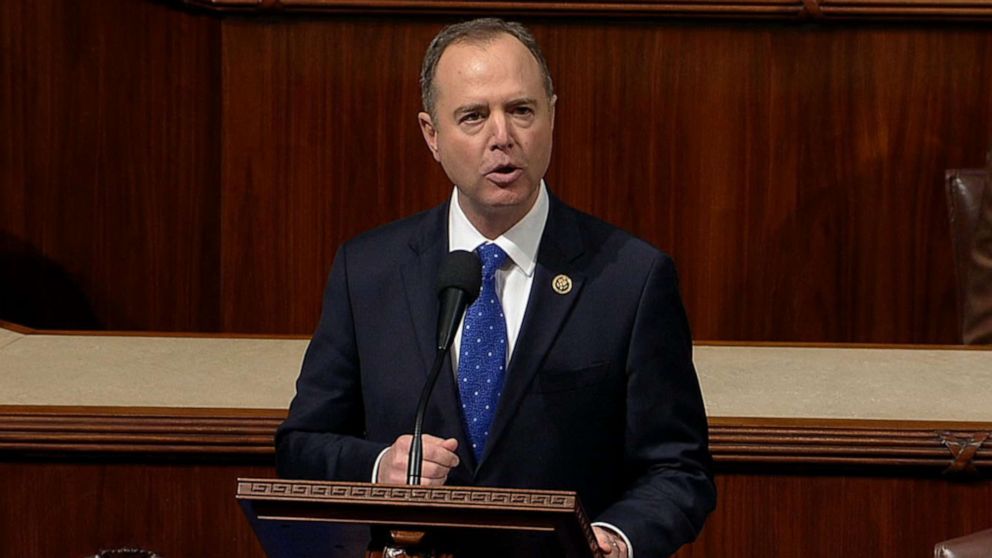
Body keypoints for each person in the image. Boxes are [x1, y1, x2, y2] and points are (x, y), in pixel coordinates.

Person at [276, 18, 716, 557]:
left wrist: (615, 540)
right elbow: (302, 444)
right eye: (473, 116)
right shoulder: (368, 271)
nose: (502, 136)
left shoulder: (631, 278)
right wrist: (378, 467)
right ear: (431, 135)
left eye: (522, 110)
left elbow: (678, 468)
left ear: (553, 116)